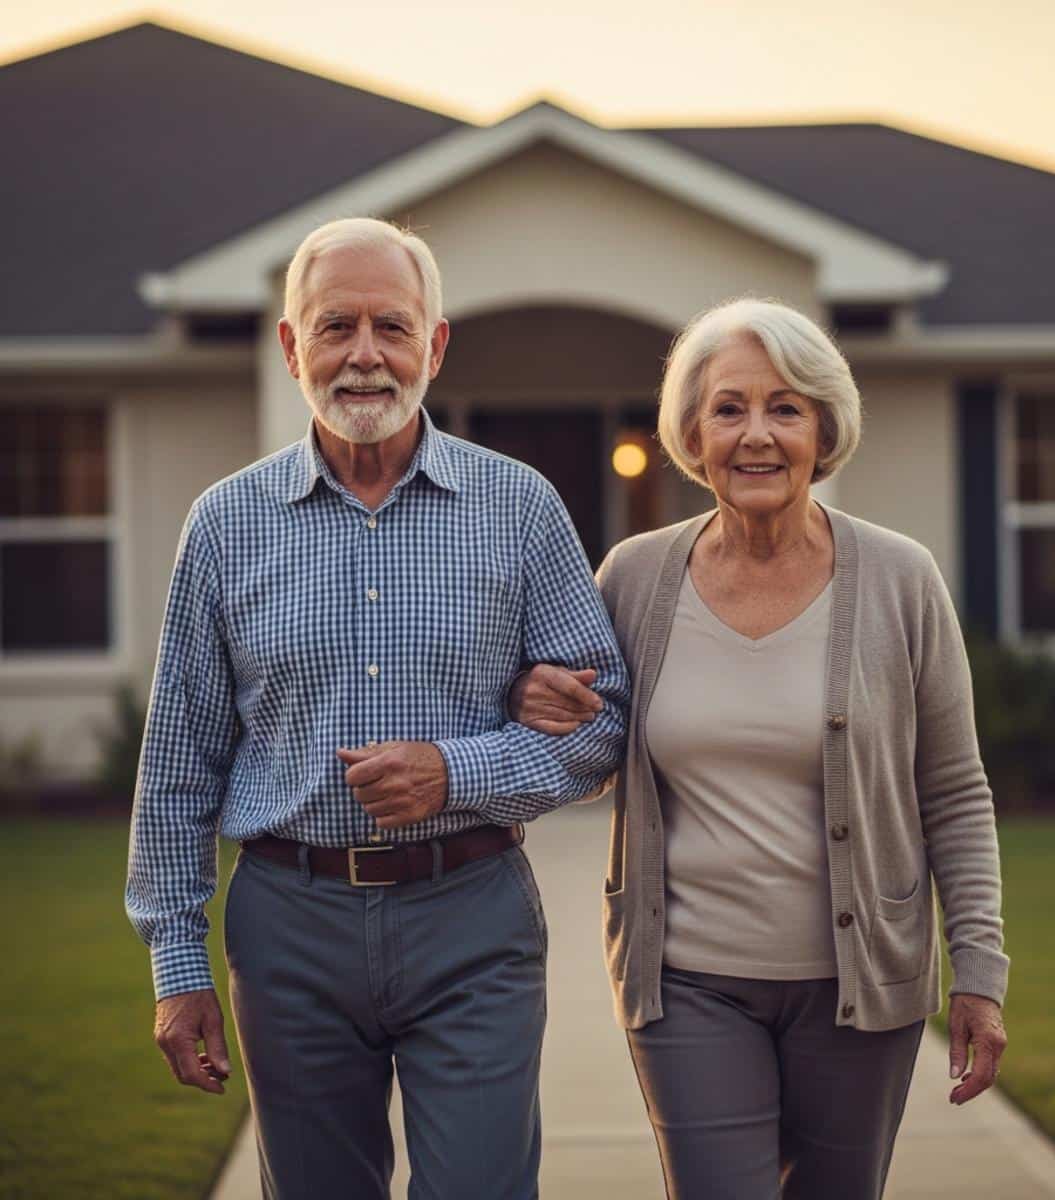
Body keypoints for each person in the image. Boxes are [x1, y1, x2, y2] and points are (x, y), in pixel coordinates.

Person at [125, 217, 629, 1200]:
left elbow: (604, 720)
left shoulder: (519, 508)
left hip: (472, 915)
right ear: (291, 346)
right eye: (335, 326)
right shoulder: (226, 525)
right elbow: (179, 764)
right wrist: (176, 960)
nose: (364, 355)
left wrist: (458, 770)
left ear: (434, 346)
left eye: (392, 327)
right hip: (289, 925)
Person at [510, 297, 1009, 1200]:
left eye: (786, 408)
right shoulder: (632, 577)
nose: (757, 436)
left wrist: (980, 968)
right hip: (689, 981)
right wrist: (537, 706)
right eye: (729, 408)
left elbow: (955, 791)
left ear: (824, 428)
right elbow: (583, 752)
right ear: (693, 434)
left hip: (860, 991)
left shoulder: (901, 579)